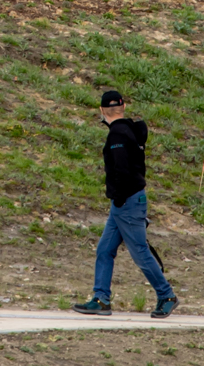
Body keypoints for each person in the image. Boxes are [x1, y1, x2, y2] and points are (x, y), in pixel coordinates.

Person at [70, 90, 177, 318]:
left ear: (101, 110)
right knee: (105, 250)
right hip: (126, 202)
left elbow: (121, 171)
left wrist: (118, 197)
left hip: (126, 202)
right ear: (124, 107)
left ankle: (167, 295)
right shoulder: (130, 130)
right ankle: (101, 299)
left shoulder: (117, 136)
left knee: (140, 252)